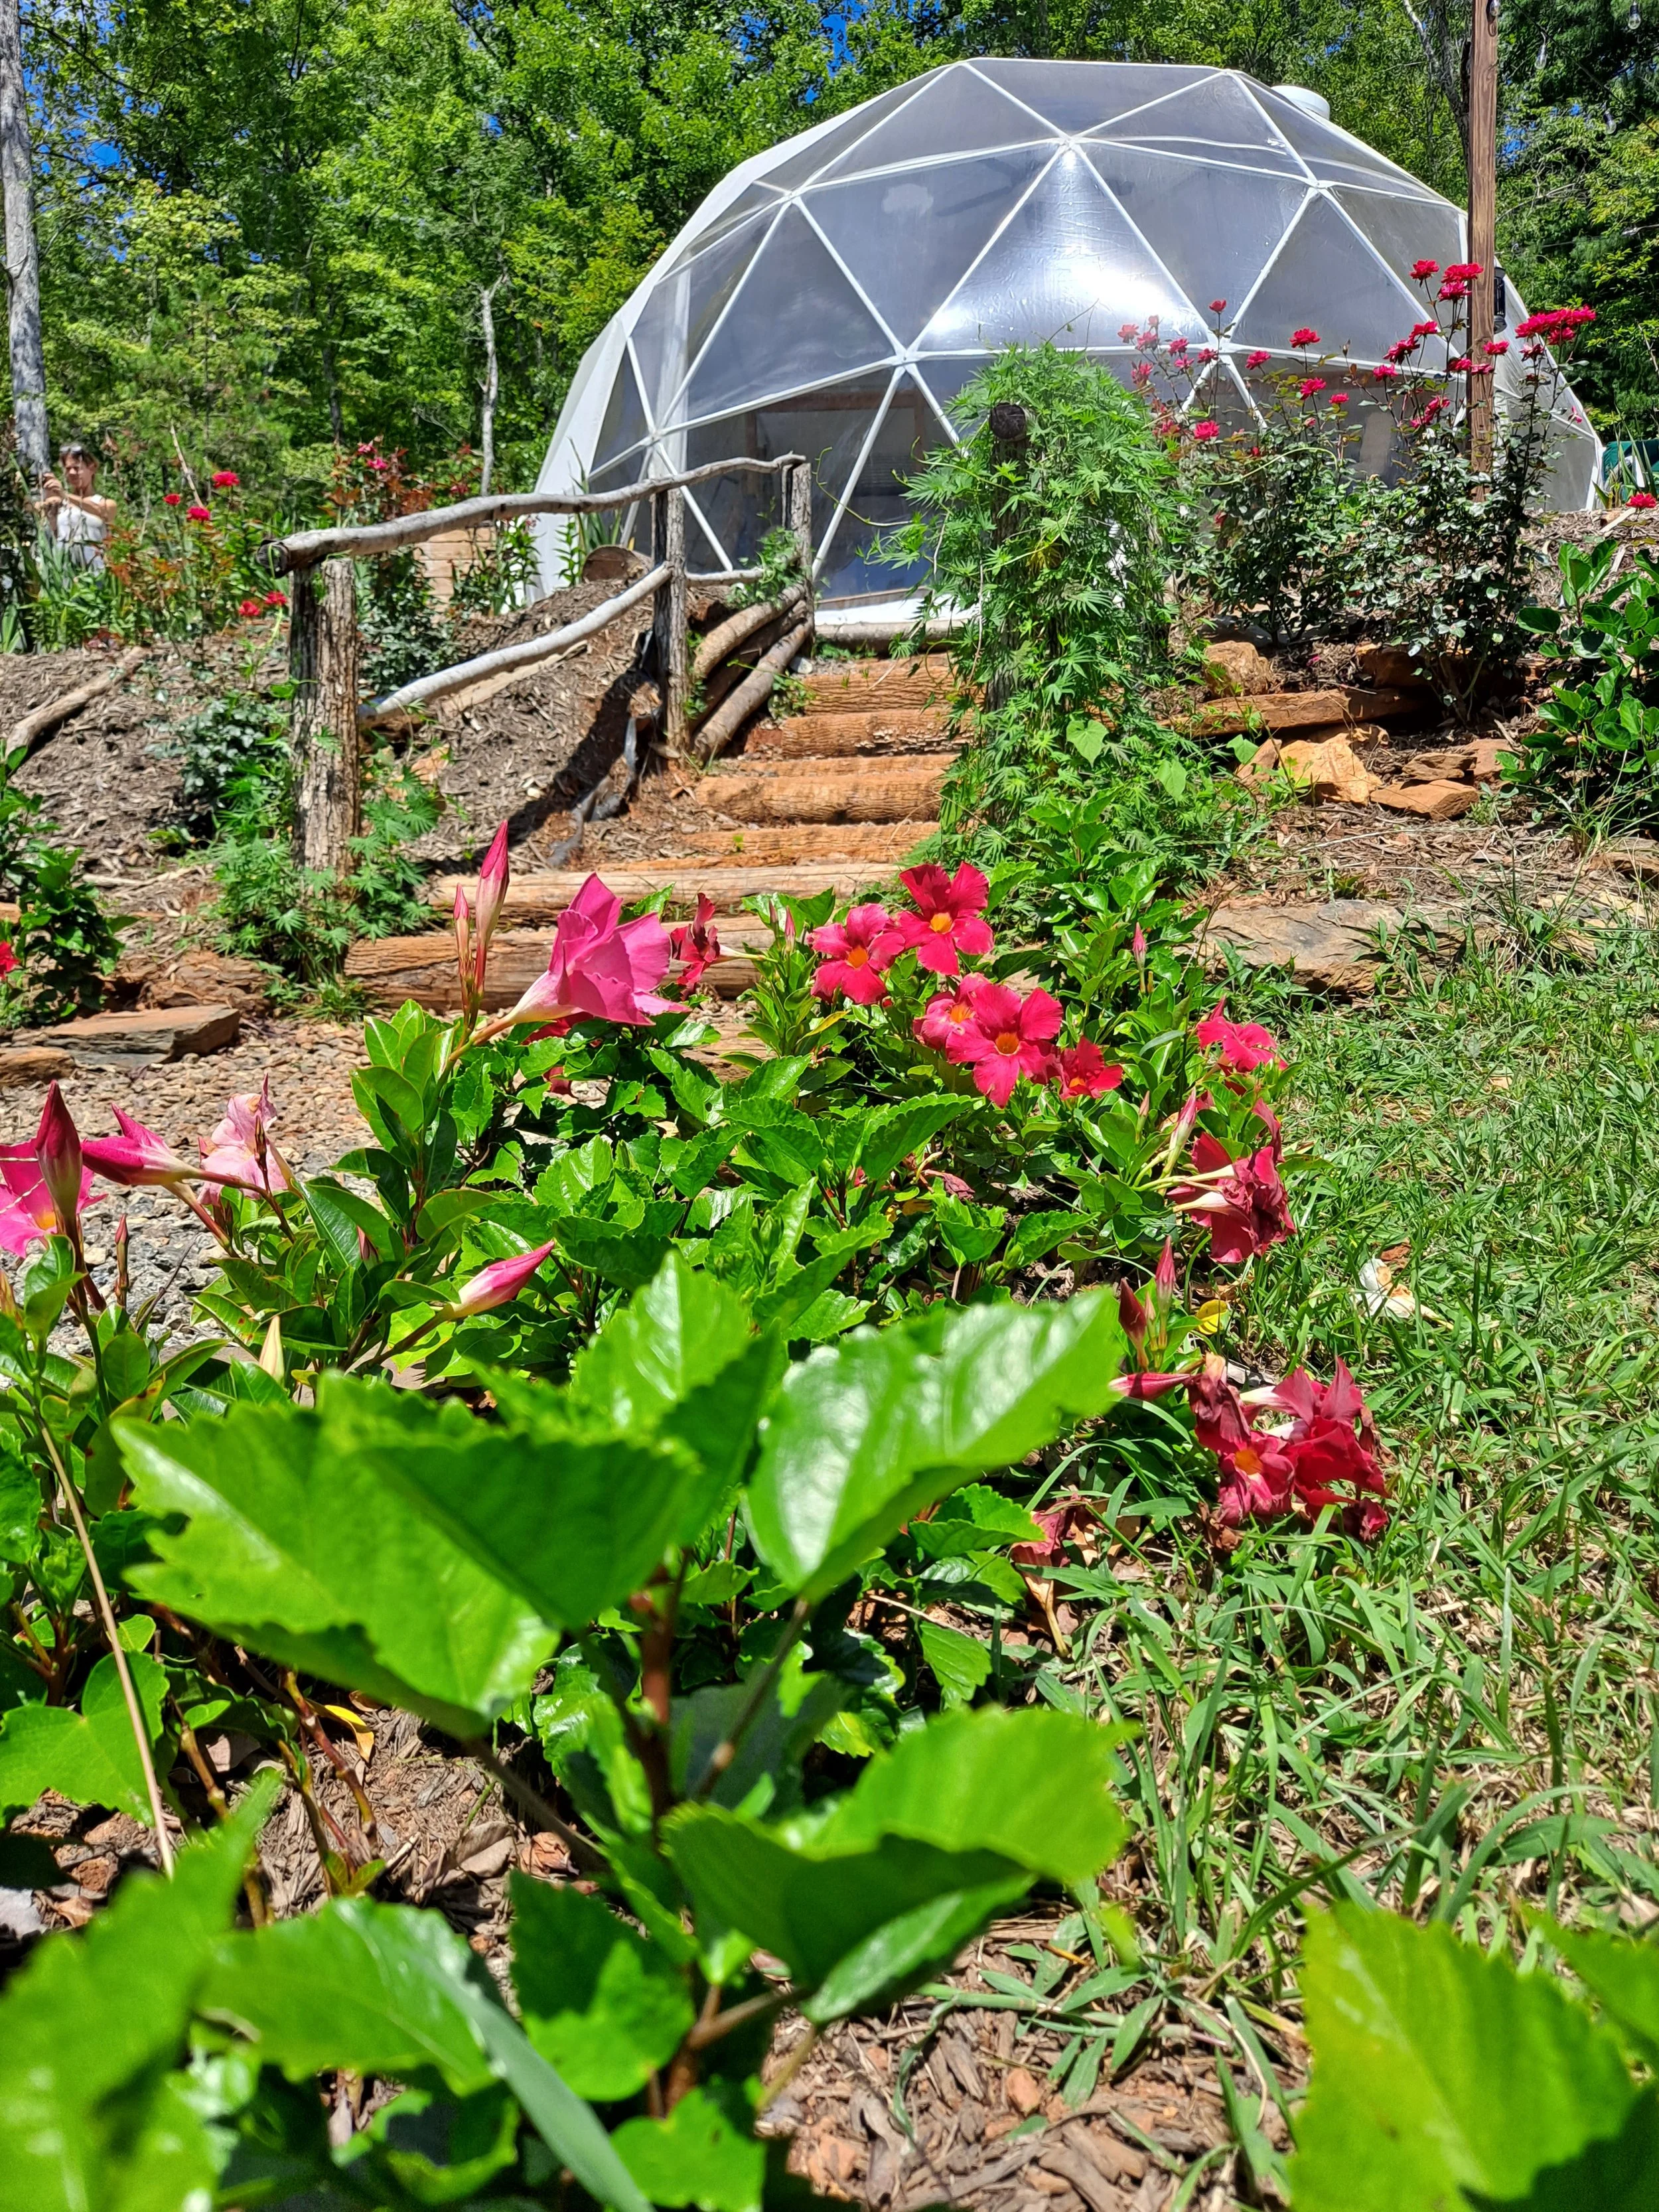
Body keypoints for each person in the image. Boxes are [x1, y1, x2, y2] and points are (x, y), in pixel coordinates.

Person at [36, 443, 115, 571]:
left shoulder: (105, 503)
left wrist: (64, 495)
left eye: (77, 468)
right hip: (65, 567)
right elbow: (52, 535)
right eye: (68, 469)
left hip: (94, 567)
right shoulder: (61, 503)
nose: (72, 473)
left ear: (92, 468)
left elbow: (100, 512)